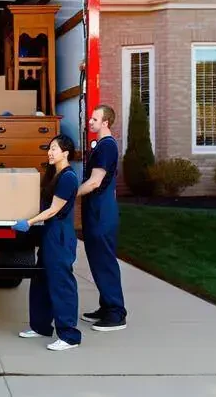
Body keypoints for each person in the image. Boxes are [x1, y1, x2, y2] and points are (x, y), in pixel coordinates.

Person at [11, 134, 83, 351]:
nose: (50, 153)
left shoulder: (68, 177)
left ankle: (69, 335)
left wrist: (29, 222)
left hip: (59, 237)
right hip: (49, 234)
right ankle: (40, 326)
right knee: (41, 279)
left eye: (54, 149)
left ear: (66, 153)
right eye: (49, 148)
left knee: (61, 284)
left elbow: (53, 210)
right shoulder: (55, 174)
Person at [77, 104, 128, 331]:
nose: (90, 121)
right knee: (98, 262)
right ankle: (106, 307)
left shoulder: (106, 147)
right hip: (97, 211)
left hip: (101, 213)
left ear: (105, 122)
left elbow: (96, 182)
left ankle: (116, 314)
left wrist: (69, 194)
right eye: (90, 118)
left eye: (94, 119)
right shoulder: (101, 146)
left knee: (105, 263)